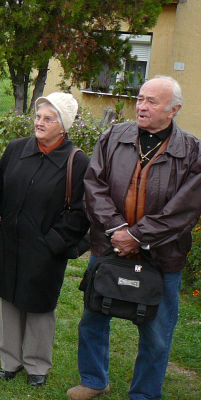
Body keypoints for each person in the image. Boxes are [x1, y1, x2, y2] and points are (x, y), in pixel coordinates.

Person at [66, 76, 201, 400]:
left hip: (162, 256)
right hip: (109, 247)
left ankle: (144, 394)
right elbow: (93, 185)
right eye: (140, 99)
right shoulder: (114, 136)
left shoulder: (192, 151)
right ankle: (94, 380)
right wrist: (118, 230)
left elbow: (185, 208)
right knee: (93, 318)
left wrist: (138, 237)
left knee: (156, 332)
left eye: (151, 101)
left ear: (174, 110)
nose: (141, 106)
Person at [0, 92, 90, 388]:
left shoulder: (77, 162)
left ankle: (36, 364)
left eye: (48, 119)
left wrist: (53, 243)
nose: (40, 123)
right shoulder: (17, 148)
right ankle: (9, 361)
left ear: (64, 126)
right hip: (9, 242)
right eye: (38, 117)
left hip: (46, 248)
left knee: (40, 305)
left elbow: (82, 212)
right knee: (10, 299)